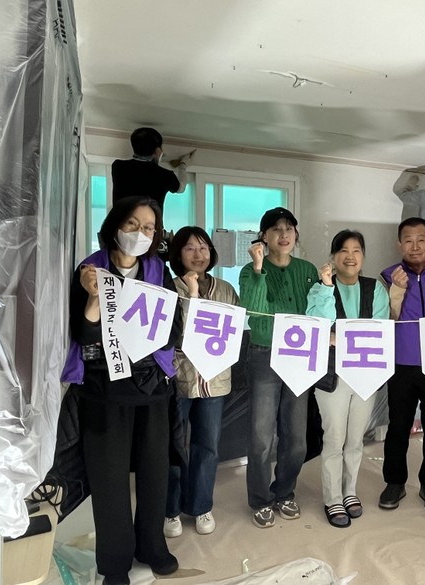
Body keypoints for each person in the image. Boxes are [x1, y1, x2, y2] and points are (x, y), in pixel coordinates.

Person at [61, 196, 182, 585]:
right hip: (103, 390)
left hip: (151, 387)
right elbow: (83, 335)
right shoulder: (89, 270)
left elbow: (174, 330)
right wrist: (94, 296)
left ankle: (152, 547)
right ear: (115, 225)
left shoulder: (159, 271)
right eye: (132, 224)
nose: (140, 233)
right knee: (109, 479)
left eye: (148, 227)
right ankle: (114, 563)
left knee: (154, 473)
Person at [239, 207, 317, 528]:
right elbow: (253, 311)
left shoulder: (308, 269)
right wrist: (259, 268)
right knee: (261, 437)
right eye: (276, 229)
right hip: (264, 354)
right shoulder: (250, 270)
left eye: (289, 229)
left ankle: (285, 491)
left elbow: (318, 311)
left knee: (296, 437)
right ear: (264, 237)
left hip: (300, 356)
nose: (283, 235)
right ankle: (260, 498)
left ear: (296, 234)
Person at [306, 230, 390, 528]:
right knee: (334, 438)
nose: (350, 256)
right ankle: (333, 499)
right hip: (332, 377)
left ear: (363, 256)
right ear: (333, 256)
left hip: (365, 374)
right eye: (343, 250)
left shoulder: (375, 289)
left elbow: (379, 329)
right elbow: (319, 324)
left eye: (356, 250)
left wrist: (337, 337)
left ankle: (349, 491)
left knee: (356, 439)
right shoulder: (320, 288)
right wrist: (327, 286)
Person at [163, 227, 239, 538]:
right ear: (178, 254)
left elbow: (233, 331)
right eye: (190, 248)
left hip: (214, 380)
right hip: (179, 378)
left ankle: (200, 505)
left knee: (207, 446)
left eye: (204, 248)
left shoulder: (225, 289)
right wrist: (192, 295)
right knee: (174, 447)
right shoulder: (169, 288)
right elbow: (175, 334)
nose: (198, 254)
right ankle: (170, 509)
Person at [379, 217, 425, 513]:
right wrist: (396, 290)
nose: (415, 246)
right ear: (399, 245)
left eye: (421, 239)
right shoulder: (388, 276)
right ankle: (394, 481)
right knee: (398, 425)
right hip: (402, 362)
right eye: (408, 240)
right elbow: (383, 321)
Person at [112, 127, 191, 209]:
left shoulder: (118, 166)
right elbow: (181, 188)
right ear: (157, 150)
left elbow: (145, 169)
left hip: (122, 217)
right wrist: (183, 164)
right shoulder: (165, 175)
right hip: (151, 217)